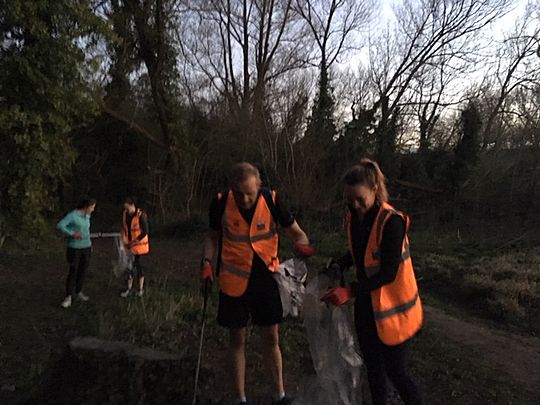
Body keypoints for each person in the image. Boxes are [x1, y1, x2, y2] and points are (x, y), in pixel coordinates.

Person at [201, 162, 315, 405]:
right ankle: (240, 399)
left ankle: (279, 395)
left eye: (249, 193)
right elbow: (211, 236)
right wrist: (207, 262)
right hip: (233, 282)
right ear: (232, 188)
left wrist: (302, 244)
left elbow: (298, 233)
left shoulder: (273, 200)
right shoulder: (221, 202)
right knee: (237, 341)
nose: (244, 199)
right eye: (239, 193)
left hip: (266, 281)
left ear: (259, 186)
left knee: (271, 339)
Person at [322, 159, 423, 405]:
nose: (355, 206)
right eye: (349, 200)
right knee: (374, 370)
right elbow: (361, 253)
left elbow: (388, 272)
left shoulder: (392, 222)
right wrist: (341, 263)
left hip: (395, 312)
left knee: (397, 373)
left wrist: (350, 291)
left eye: (359, 199)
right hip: (368, 306)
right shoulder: (356, 218)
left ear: (375, 189)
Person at [56, 196, 97, 309]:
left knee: (83, 270)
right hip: (74, 248)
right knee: (73, 270)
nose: (93, 210)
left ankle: (79, 291)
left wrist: (90, 245)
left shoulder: (87, 216)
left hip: (86, 247)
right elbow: (60, 225)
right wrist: (72, 233)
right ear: (86, 206)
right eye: (92, 207)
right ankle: (68, 296)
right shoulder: (73, 216)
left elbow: (86, 231)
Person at [120, 197, 150, 298]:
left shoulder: (141, 215)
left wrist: (134, 242)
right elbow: (124, 228)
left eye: (127, 208)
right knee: (129, 268)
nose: (126, 210)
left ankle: (140, 289)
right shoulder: (125, 214)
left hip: (139, 248)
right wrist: (124, 238)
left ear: (132, 205)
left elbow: (145, 231)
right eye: (125, 208)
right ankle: (129, 289)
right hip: (129, 246)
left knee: (139, 268)